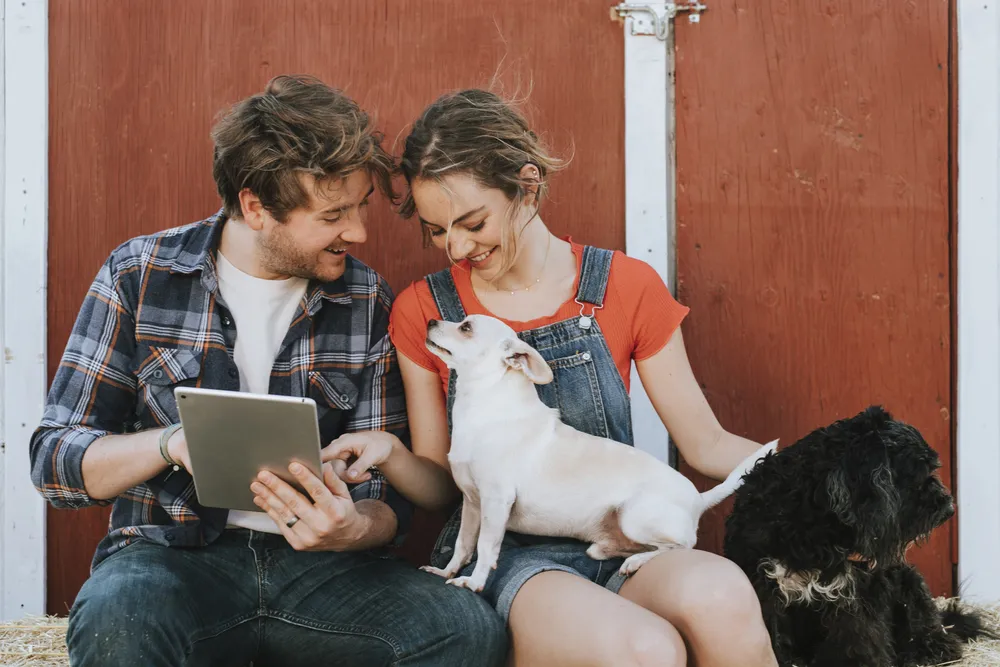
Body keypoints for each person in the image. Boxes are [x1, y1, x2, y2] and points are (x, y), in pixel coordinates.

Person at [28, 76, 506, 667]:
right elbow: (55, 462)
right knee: (115, 619)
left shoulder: (365, 298)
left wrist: (355, 528)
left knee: (465, 630)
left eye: (360, 207)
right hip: (171, 558)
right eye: (333, 215)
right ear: (256, 207)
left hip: (326, 573)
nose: (357, 233)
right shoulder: (140, 274)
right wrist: (174, 444)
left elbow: (392, 502)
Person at [324, 89, 780, 667]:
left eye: (472, 222)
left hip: (619, 528)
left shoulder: (626, 286)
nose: (458, 248)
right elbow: (443, 485)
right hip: (511, 552)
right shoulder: (424, 311)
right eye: (439, 232)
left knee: (724, 595)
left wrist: (814, 475)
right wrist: (391, 451)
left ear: (528, 184)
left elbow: (706, 444)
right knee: (643, 650)